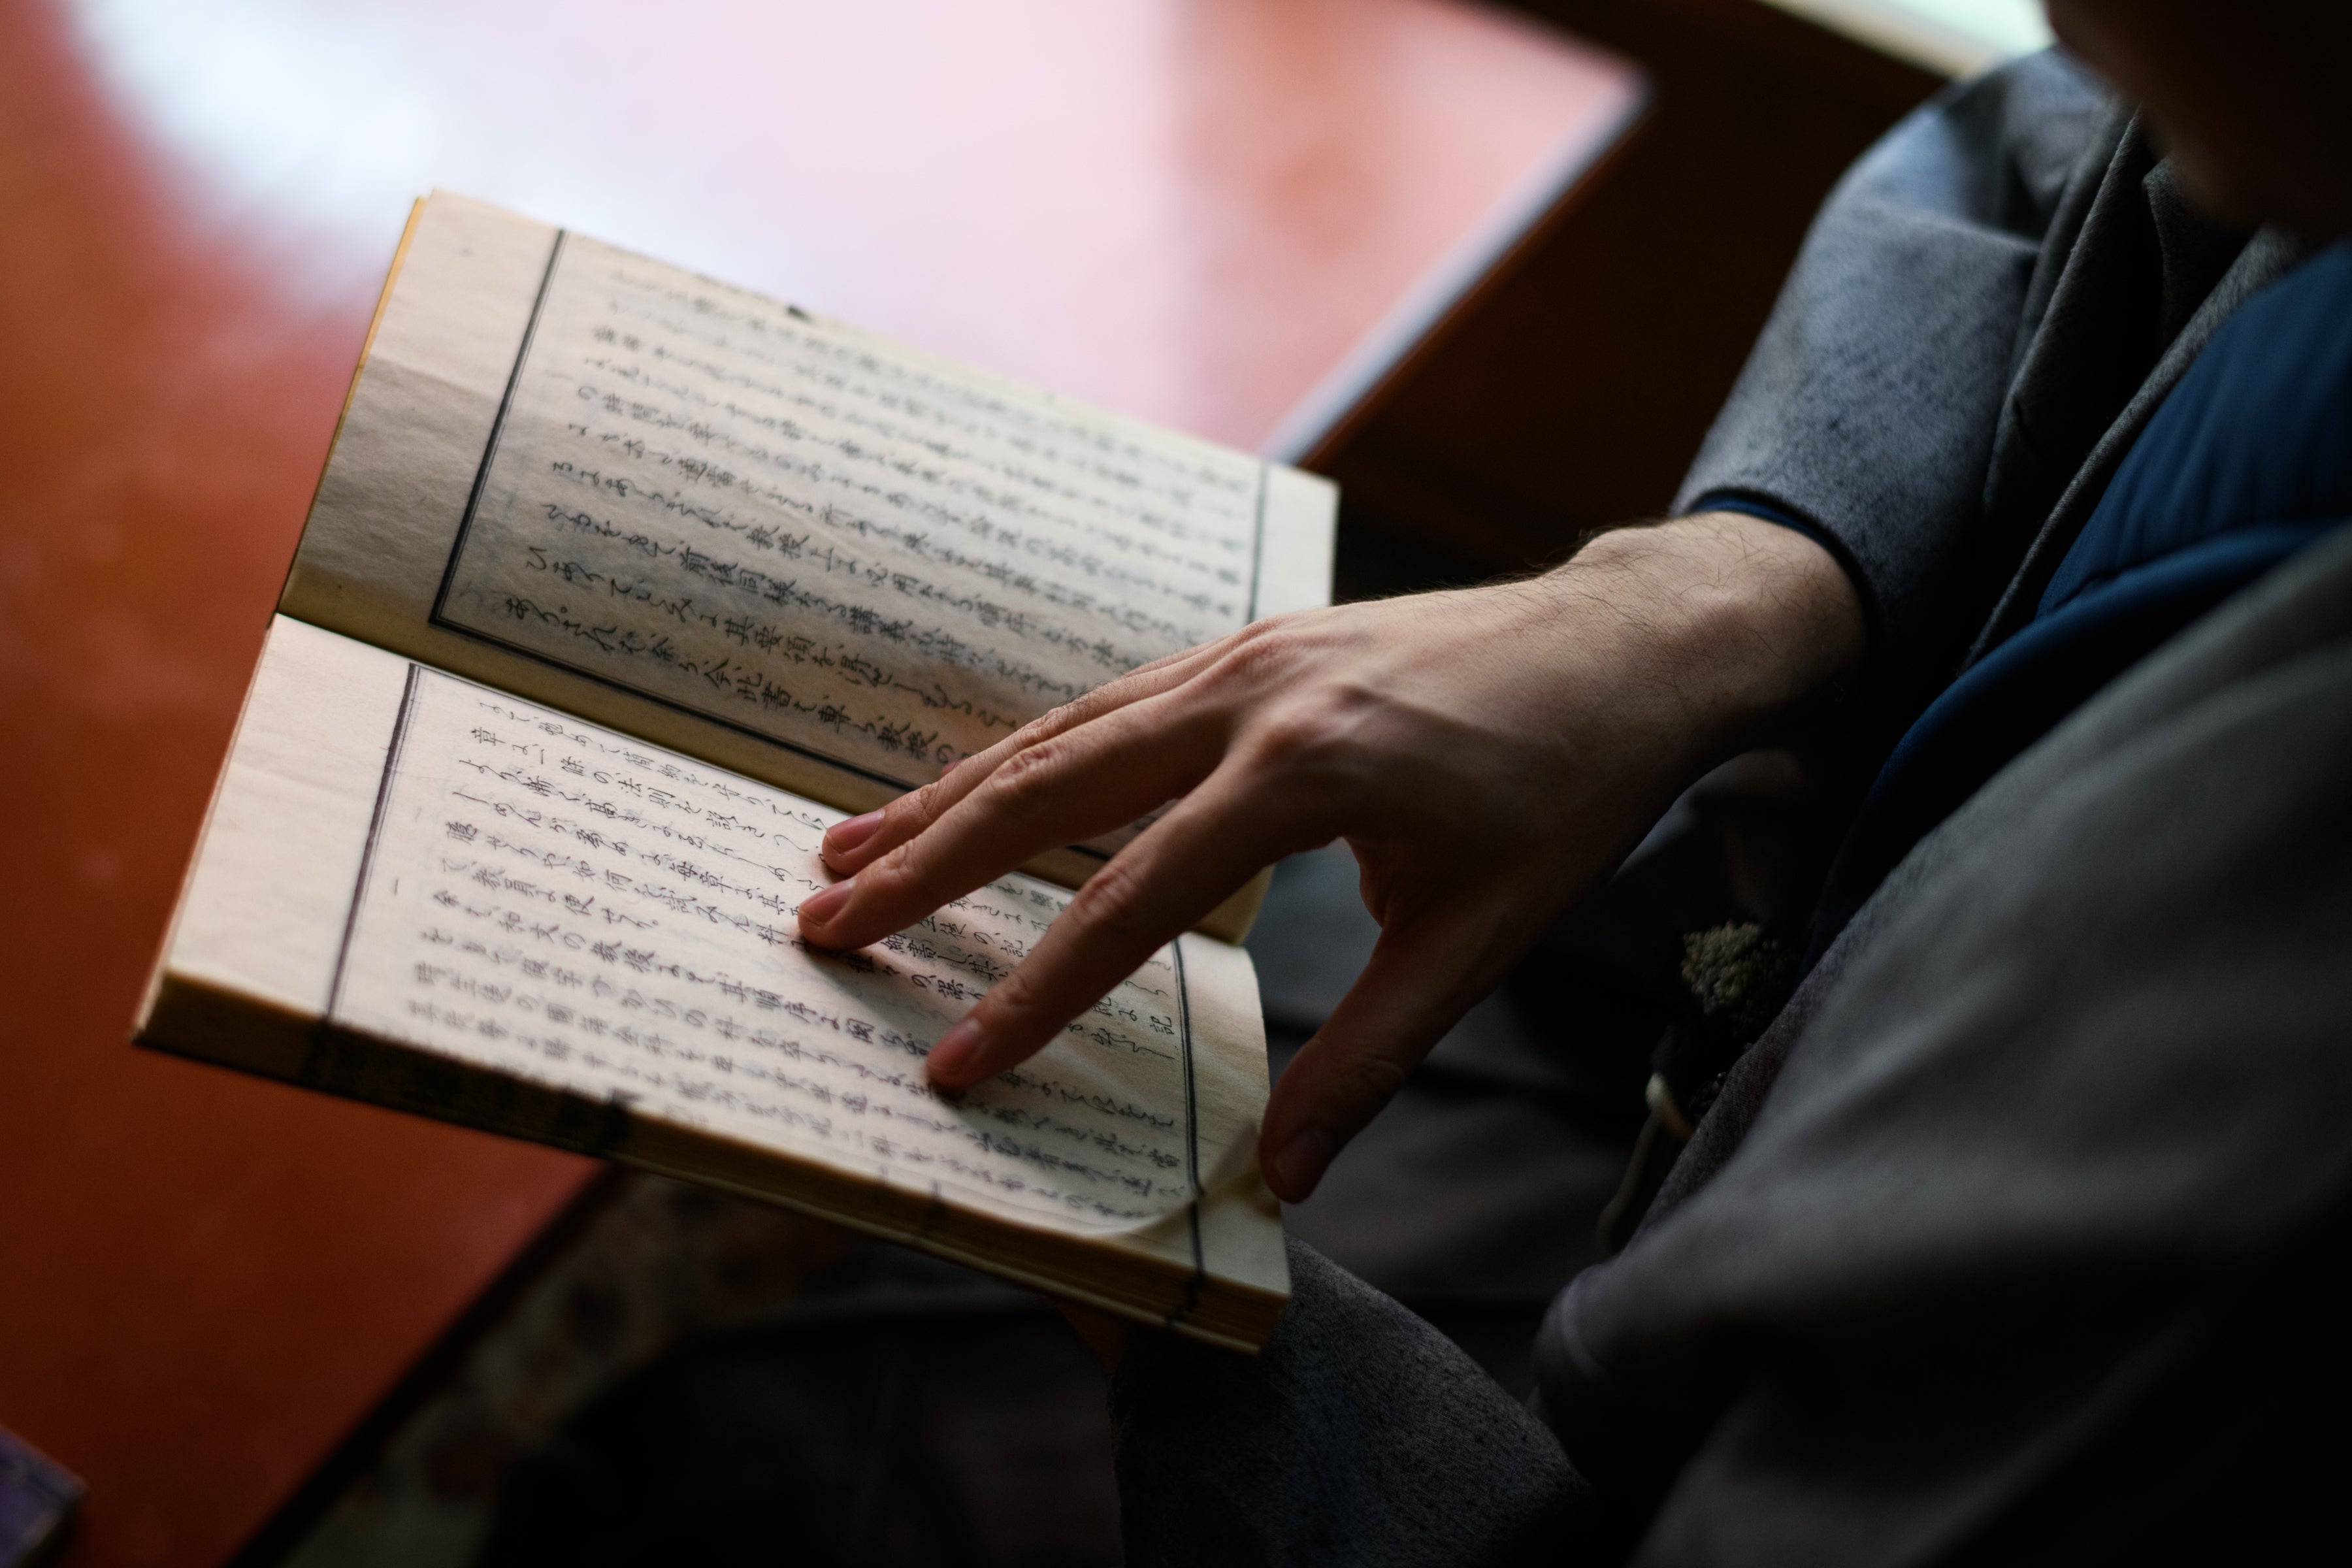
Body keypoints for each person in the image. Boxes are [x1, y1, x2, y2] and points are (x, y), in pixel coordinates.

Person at [798, 1, 2352, 1560]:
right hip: (1689, 952)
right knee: (1210, 889)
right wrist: (1729, 586)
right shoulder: (2283, 128)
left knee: (802, 1426)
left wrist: (1189, 1325)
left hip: (1642, 1384)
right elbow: (2056, 139)